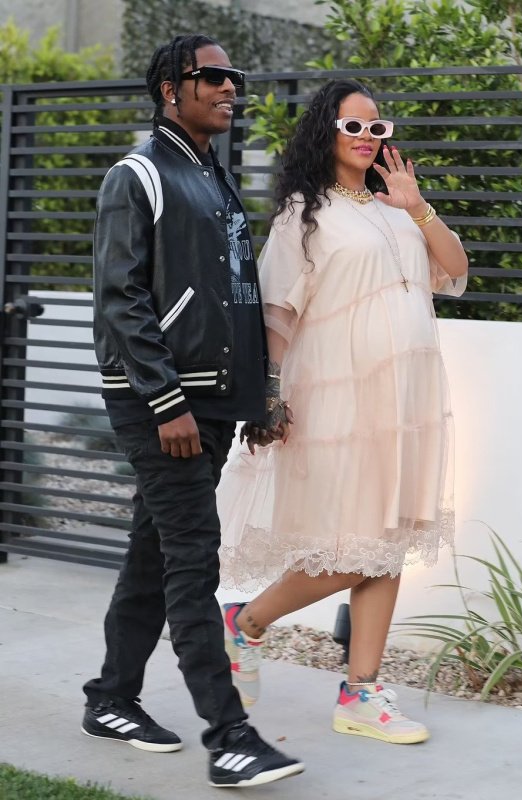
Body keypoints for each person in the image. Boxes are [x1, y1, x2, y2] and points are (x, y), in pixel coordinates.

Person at [83, 33, 304, 788]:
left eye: (233, 76)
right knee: (190, 560)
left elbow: (237, 301)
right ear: (169, 89)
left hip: (209, 403)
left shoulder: (215, 179)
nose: (228, 87)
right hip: (161, 406)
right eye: (211, 76)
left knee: (153, 551)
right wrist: (166, 400)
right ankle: (230, 734)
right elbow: (120, 301)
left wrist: (256, 398)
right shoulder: (137, 175)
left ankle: (112, 697)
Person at [217, 78, 468, 742]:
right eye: (353, 126)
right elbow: (275, 313)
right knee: (351, 547)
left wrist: (416, 208)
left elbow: (455, 268)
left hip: (408, 405)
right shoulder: (305, 214)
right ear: (325, 131)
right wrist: (266, 395)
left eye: (376, 128)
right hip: (337, 401)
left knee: (385, 548)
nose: (365, 138)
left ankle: (360, 694)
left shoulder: (396, 212)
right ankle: (244, 623)